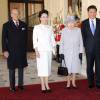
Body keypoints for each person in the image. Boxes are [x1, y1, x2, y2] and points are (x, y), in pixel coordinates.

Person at [2, 8, 28, 92]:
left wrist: (26, 50)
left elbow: (26, 39)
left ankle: (20, 85)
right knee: (12, 69)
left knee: (21, 68)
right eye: (14, 13)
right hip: (11, 51)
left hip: (21, 51)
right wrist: (5, 50)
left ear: (19, 14)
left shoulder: (24, 24)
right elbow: (3, 39)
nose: (16, 15)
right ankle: (12, 86)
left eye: (17, 13)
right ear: (11, 15)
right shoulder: (6, 25)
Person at [33, 9, 56, 93]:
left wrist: (54, 50)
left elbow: (52, 39)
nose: (45, 18)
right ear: (40, 18)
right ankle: (42, 85)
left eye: (46, 17)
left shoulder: (50, 27)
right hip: (41, 51)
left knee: (47, 68)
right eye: (43, 17)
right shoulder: (36, 27)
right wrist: (36, 51)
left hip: (48, 50)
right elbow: (35, 40)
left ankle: (47, 84)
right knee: (42, 68)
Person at [60, 16, 83, 89]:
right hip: (66, 53)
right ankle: (68, 82)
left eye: (72, 23)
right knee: (68, 69)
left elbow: (81, 42)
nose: (71, 24)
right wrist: (61, 53)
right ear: (67, 23)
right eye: (69, 23)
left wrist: (80, 52)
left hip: (76, 52)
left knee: (74, 68)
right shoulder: (64, 30)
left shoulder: (78, 30)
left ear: (74, 23)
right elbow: (62, 43)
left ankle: (73, 82)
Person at [81, 5, 100, 89]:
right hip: (89, 48)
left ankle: (98, 82)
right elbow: (83, 36)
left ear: (96, 12)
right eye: (90, 12)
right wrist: (85, 46)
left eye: (94, 12)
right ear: (88, 13)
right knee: (89, 66)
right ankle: (90, 82)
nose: (92, 13)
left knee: (99, 66)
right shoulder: (84, 23)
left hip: (99, 48)